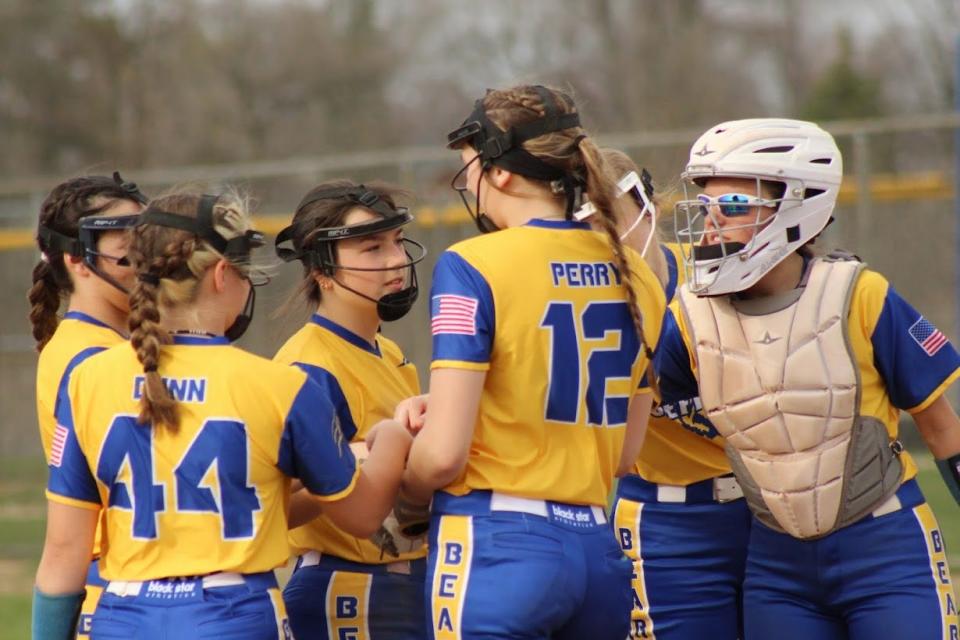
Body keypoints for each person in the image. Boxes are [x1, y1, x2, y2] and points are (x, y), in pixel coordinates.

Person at [33, 190, 413, 640]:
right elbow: (363, 516)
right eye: (245, 271)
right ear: (220, 274)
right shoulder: (279, 385)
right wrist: (392, 438)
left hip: (122, 612)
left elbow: (62, 552)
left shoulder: (87, 379)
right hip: (233, 612)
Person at [659, 117, 960, 639]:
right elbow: (648, 424)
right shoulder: (686, 316)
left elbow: (941, 429)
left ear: (797, 206)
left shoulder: (857, 294)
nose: (709, 225)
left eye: (731, 207)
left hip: (885, 548)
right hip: (777, 568)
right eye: (704, 207)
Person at [398, 84, 666, 639]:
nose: (467, 181)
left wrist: (403, 487)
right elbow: (624, 453)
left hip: (500, 544)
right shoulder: (640, 273)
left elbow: (444, 455)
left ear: (502, 172)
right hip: (596, 544)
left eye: (471, 165)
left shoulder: (473, 263)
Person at [583, 150, 752, 640]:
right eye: (585, 228)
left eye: (606, 220)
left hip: (768, 504)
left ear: (644, 204)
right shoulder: (579, 306)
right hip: (663, 516)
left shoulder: (721, 277)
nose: (602, 240)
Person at [273, 180, 428, 639]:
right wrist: (358, 462)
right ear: (322, 270)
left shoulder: (389, 351)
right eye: (371, 248)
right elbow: (273, 503)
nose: (396, 260)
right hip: (351, 588)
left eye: (397, 242)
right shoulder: (310, 368)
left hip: (406, 583)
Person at [30, 172, 148, 637]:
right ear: (78, 258)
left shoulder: (97, 342)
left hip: (122, 582)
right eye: (124, 236)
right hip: (125, 582)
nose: (143, 250)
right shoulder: (97, 357)